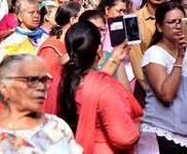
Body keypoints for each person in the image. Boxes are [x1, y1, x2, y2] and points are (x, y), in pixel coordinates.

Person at [141, 1, 187, 153]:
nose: (177, 26)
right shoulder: (154, 54)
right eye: (171, 22)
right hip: (163, 133)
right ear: (159, 27)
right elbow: (166, 94)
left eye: (180, 22)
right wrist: (180, 58)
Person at [59, 21, 142, 153]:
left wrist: (114, 60)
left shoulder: (64, 79)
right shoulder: (105, 87)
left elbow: (92, 87)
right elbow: (124, 137)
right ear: (99, 49)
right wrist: (137, 126)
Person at [0, 54, 81, 152]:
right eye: (30, 80)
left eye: (43, 80)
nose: (41, 87)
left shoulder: (57, 127)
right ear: (4, 89)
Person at [37, 2, 81, 114]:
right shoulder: (52, 48)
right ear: (73, 20)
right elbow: (44, 86)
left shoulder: (71, 44)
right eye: (82, 17)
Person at [129, 0, 169, 85]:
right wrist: (150, 91)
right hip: (147, 87)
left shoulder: (175, 17)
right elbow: (136, 60)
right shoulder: (132, 21)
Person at [0, 0, 47, 70]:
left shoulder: (44, 36)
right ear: (20, 17)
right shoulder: (13, 40)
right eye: (31, 13)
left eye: (38, 12)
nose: (36, 16)